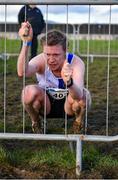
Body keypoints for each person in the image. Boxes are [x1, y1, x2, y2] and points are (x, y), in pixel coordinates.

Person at [17, 21, 91, 134]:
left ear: (66, 51)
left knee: (84, 97)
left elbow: (78, 95)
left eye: (56, 55)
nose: (51, 59)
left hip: (69, 103)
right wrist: (26, 43)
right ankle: (36, 122)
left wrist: (69, 82)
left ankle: (78, 122)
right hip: (46, 103)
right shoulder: (41, 60)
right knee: (28, 92)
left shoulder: (76, 62)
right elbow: (22, 72)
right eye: (47, 54)